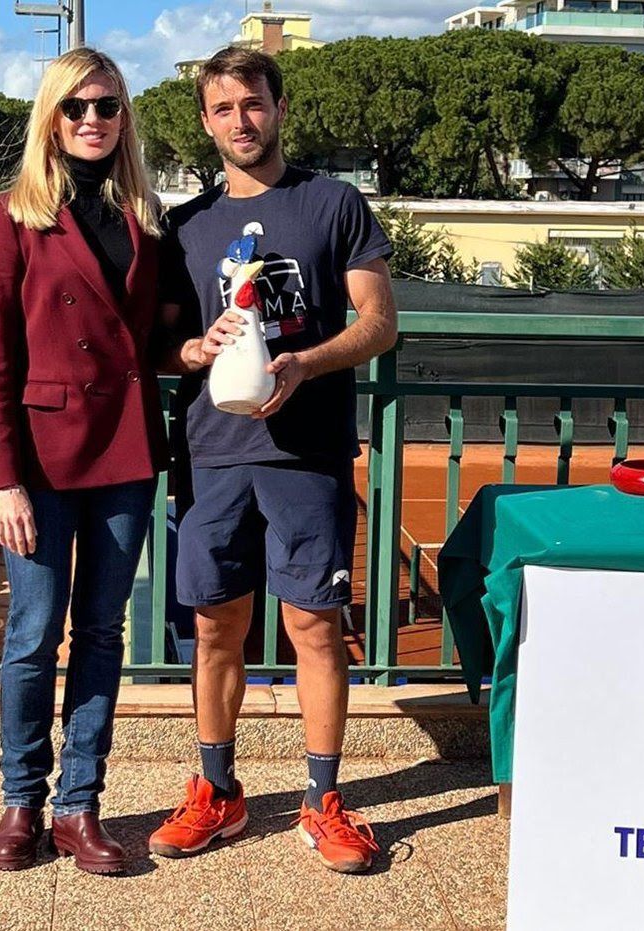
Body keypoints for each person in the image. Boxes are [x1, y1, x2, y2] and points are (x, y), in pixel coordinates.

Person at [149, 47, 398, 874]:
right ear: (206, 122)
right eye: (222, 109)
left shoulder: (333, 205)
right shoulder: (185, 226)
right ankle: (217, 790)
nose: (240, 121)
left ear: (279, 108)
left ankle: (323, 800)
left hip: (307, 454)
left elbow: (378, 323)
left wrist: (301, 364)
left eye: (252, 104)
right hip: (214, 454)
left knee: (313, 629)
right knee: (217, 627)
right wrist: (193, 348)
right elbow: (165, 343)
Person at [0, 47, 168, 875]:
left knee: (100, 634)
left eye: (110, 106)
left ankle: (78, 805)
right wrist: (1, 478)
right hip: (43, 460)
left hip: (124, 447)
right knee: (31, 634)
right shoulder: (6, 215)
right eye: (78, 106)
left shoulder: (145, 215)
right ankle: (21, 798)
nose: (94, 119)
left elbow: (156, 336)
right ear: (50, 116)